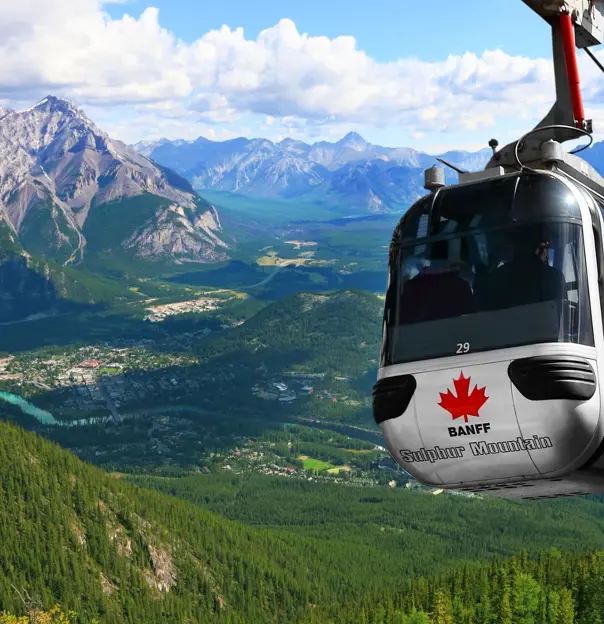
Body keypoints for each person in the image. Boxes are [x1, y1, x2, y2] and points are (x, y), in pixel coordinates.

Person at [399, 239, 475, 324]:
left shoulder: (410, 287)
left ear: (429, 258)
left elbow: (402, 322)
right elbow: (472, 322)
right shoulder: (461, 286)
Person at [479, 237, 567, 311]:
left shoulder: (495, 278)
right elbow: (562, 316)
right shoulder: (554, 277)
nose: (546, 254)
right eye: (546, 246)